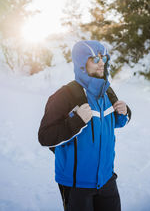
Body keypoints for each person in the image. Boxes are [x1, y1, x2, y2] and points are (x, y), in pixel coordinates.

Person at [38, 40, 131, 211]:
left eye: (103, 57)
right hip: (76, 185)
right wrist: (77, 121)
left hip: (107, 179)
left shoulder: (106, 91)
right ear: (82, 64)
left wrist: (125, 113)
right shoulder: (65, 95)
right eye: (95, 59)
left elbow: (111, 122)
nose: (101, 62)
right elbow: (45, 137)